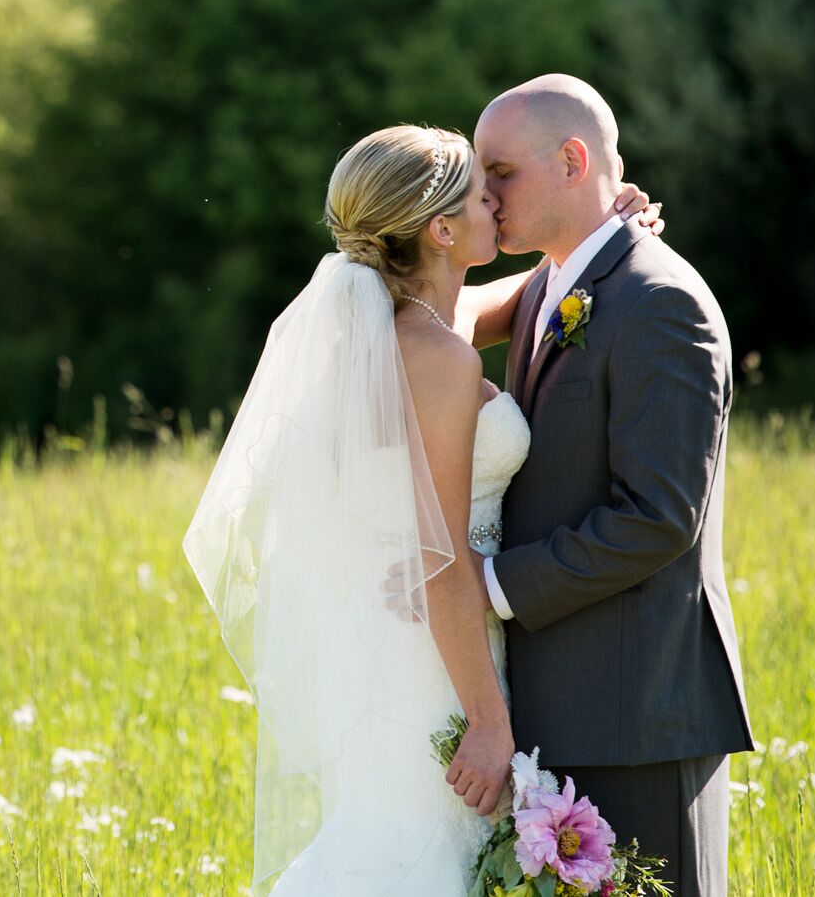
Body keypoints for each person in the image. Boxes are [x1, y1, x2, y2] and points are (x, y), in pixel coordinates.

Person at [182, 117, 663, 894]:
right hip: (439, 653)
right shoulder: (438, 358)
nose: (499, 208)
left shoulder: (403, 331)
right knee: (423, 852)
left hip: (397, 643)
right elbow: (440, 557)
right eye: (482, 196)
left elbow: (510, 300)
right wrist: (488, 723)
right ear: (442, 229)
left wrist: (604, 236)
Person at [473, 73, 755, 896]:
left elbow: (656, 518)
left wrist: (491, 589)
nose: (482, 197)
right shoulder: (552, 286)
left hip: (638, 711)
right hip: (562, 708)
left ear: (572, 159)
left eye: (500, 174)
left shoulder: (660, 302)